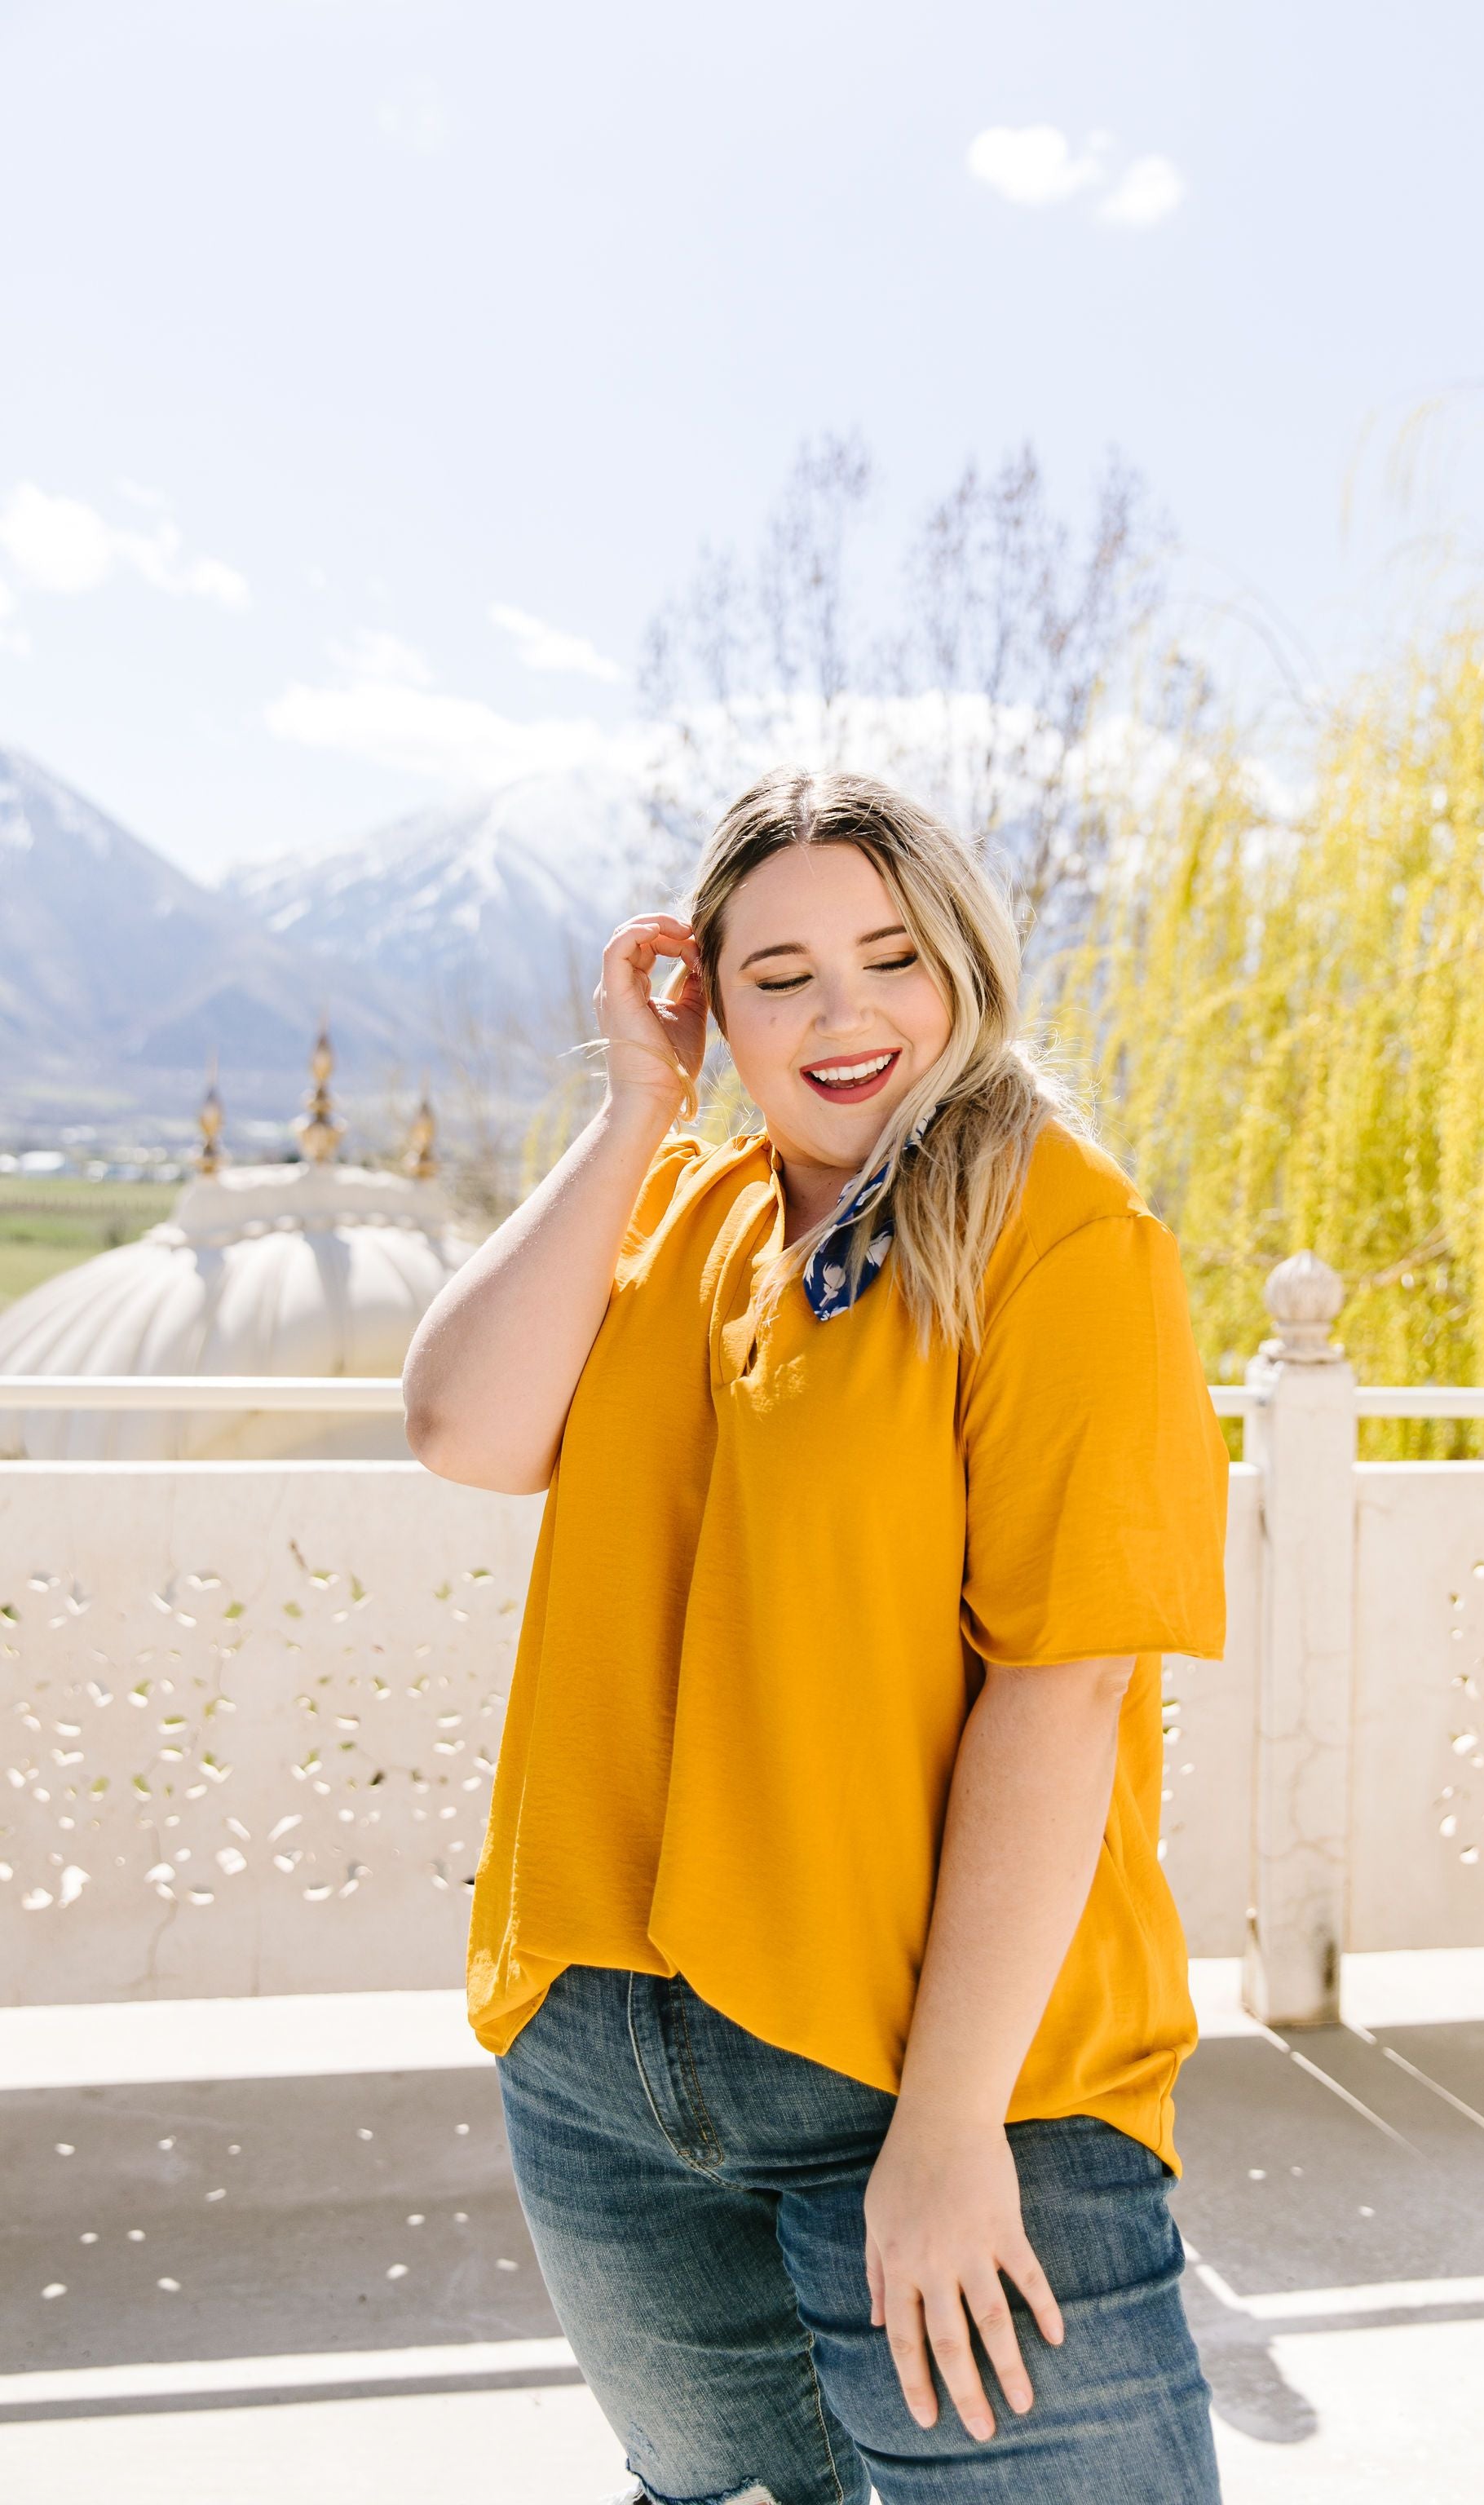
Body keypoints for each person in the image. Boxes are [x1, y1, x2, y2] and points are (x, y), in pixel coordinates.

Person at [403, 767, 1230, 2504]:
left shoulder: (1061, 1235)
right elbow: (465, 1430)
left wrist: (944, 2136)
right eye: (777, 977)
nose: (842, 1013)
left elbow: (1061, 1693)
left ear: (964, 970)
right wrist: (638, 1105)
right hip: (608, 2069)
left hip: (951, 2079)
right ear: (715, 1000)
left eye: (888, 956)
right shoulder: (688, 1209)